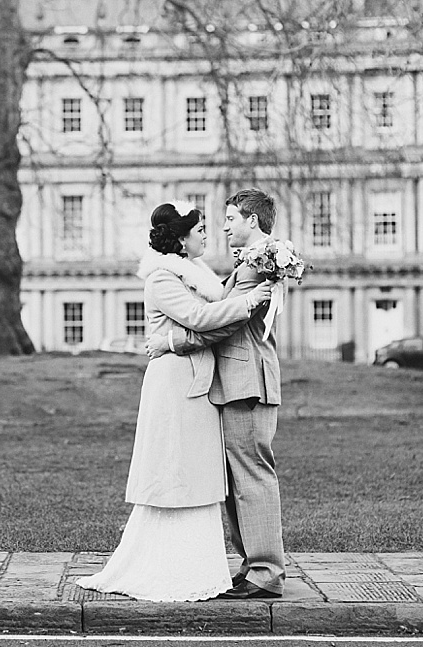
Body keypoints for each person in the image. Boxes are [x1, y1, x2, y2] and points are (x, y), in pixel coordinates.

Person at [76, 201, 272, 602]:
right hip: (175, 382)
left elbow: (213, 309)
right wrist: (250, 302)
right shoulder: (163, 278)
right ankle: (172, 565)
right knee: (177, 469)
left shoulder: (198, 273)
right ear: (181, 240)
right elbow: (201, 318)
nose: (207, 234)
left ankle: (201, 564)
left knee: (196, 471)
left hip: (196, 381)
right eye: (199, 229)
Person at [146, 188, 287, 600]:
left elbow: (223, 325)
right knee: (238, 478)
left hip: (247, 381)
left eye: (230, 219)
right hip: (236, 382)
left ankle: (265, 571)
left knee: (252, 476)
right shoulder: (252, 264)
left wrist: (172, 342)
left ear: (253, 221)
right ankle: (253, 566)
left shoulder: (256, 268)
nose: (224, 227)